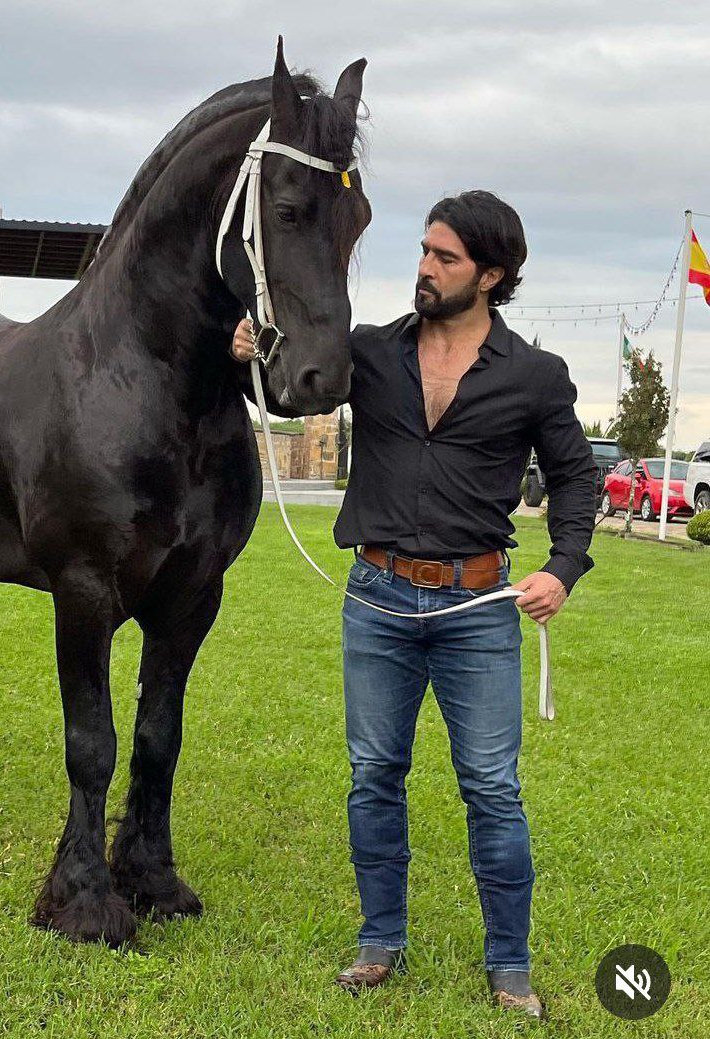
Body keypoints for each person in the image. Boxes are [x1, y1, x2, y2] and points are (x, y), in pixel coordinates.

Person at [230, 190, 597, 1021]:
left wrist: (564, 568)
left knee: (492, 788)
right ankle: (379, 940)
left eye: (446, 259)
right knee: (373, 776)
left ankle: (509, 962)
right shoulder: (370, 351)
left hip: (478, 607)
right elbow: (292, 392)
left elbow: (578, 476)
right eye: (424, 252)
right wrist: (246, 352)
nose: (424, 269)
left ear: (491, 275)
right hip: (378, 600)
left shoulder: (535, 376)